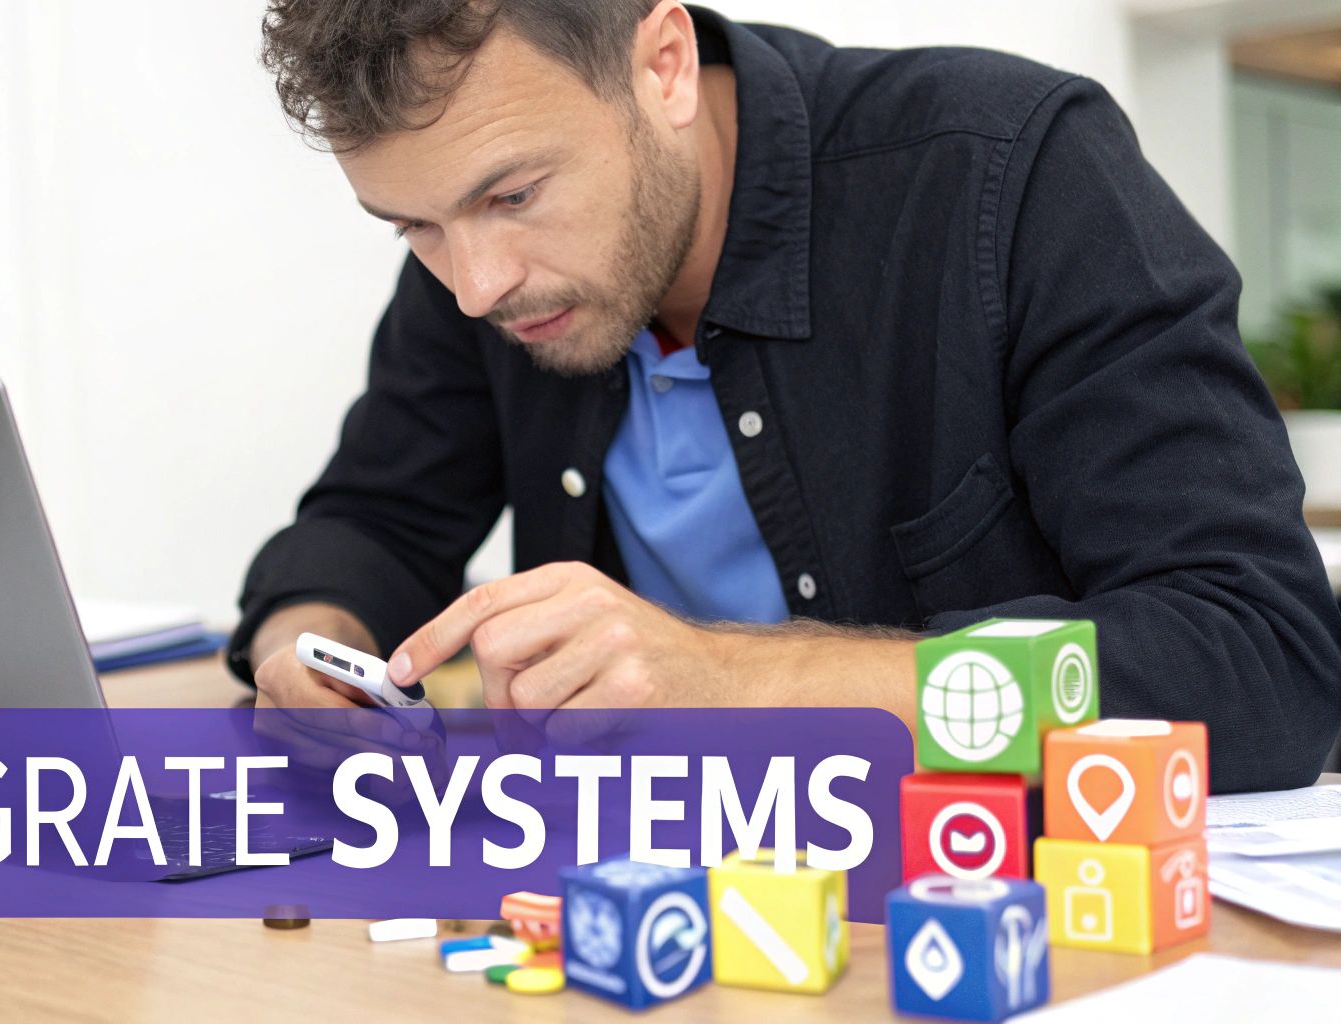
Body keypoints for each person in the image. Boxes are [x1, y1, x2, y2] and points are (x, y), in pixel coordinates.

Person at [227, 0, 1341, 793]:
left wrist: (725, 679)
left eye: (513, 193)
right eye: (412, 227)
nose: (473, 285)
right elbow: (374, 519)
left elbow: (1258, 659)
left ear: (660, 63)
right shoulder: (490, 266)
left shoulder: (1009, 174)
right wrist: (309, 650)